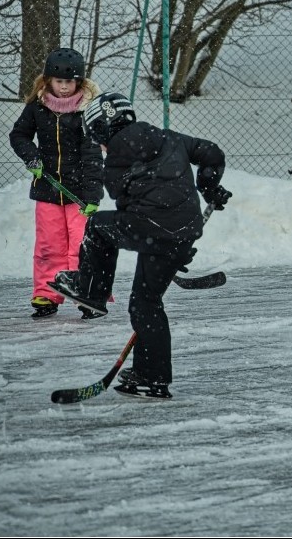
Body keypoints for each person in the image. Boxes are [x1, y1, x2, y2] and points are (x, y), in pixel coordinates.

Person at [47, 92, 232, 399]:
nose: (102, 148)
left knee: (97, 227)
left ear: (104, 129)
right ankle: (151, 376)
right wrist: (209, 186)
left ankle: (91, 290)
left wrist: (159, 237)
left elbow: (126, 201)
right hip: (183, 232)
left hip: (154, 229)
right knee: (146, 303)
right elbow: (212, 153)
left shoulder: (117, 155)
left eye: (98, 139)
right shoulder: (167, 136)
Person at [9, 48, 104, 319]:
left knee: (81, 246)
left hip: (79, 194)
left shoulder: (87, 112)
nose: (64, 87)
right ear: (48, 80)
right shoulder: (37, 108)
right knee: (49, 245)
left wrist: (93, 195)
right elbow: (19, 136)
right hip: (47, 188)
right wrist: (32, 157)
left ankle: (87, 294)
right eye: (58, 81)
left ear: (80, 82)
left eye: (69, 82)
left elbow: (92, 155)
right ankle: (46, 293)